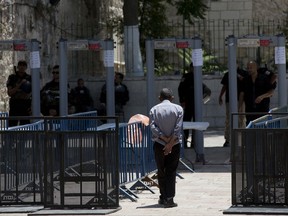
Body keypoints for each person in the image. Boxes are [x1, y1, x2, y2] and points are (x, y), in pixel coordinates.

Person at [149, 88, 183, 208]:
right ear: (172, 98)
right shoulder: (178, 109)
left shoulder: (153, 109)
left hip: (159, 144)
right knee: (171, 171)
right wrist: (170, 143)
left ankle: (163, 196)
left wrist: (164, 139)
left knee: (161, 170)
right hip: (174, 144)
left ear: (160, 98)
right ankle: (170, 198)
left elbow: (153, 127)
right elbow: (178, 128)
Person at [178, 62, 211, 148]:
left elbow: (207, 91)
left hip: (193, 104)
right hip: (189, 104)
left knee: (194, 125)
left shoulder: (197, 76)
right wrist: (182, 100)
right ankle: (186, 143)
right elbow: (181, 88)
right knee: (187, 124)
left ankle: (193, 143)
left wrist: (202, 101)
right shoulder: (187, 76)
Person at [218, 65, 248, 147]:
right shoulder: (227, 74)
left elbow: (246, 83)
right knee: (229, 118)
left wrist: (237, 75)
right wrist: (220, 96)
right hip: (229, 100)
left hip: (241, 100)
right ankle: (228, 139)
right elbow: (224, 86)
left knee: (241, 118)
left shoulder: (244, 73)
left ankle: (242, 139)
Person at [238, 60, 276, 125]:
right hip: (249, 110)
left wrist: (262, 96)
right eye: (248, 68)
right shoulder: (245, 80)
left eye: (251, 67)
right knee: (250, 129)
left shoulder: (264, 78)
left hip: (262, 110)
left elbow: (271, 92)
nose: (249, 69)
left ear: (256, 68)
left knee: (262, 129)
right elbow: (242, 93)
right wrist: (240, 107)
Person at [6, 60, 32, 126]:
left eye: (23, 65)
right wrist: (20, 85)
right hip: (15, 104)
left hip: (25, 105)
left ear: (26, 67)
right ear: (18, 66)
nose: (22, 67)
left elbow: (30, 93)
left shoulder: (29, 78)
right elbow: (10, 93)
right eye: (20, 65)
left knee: (25, 126)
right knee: (12, 126)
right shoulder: (12, 77)